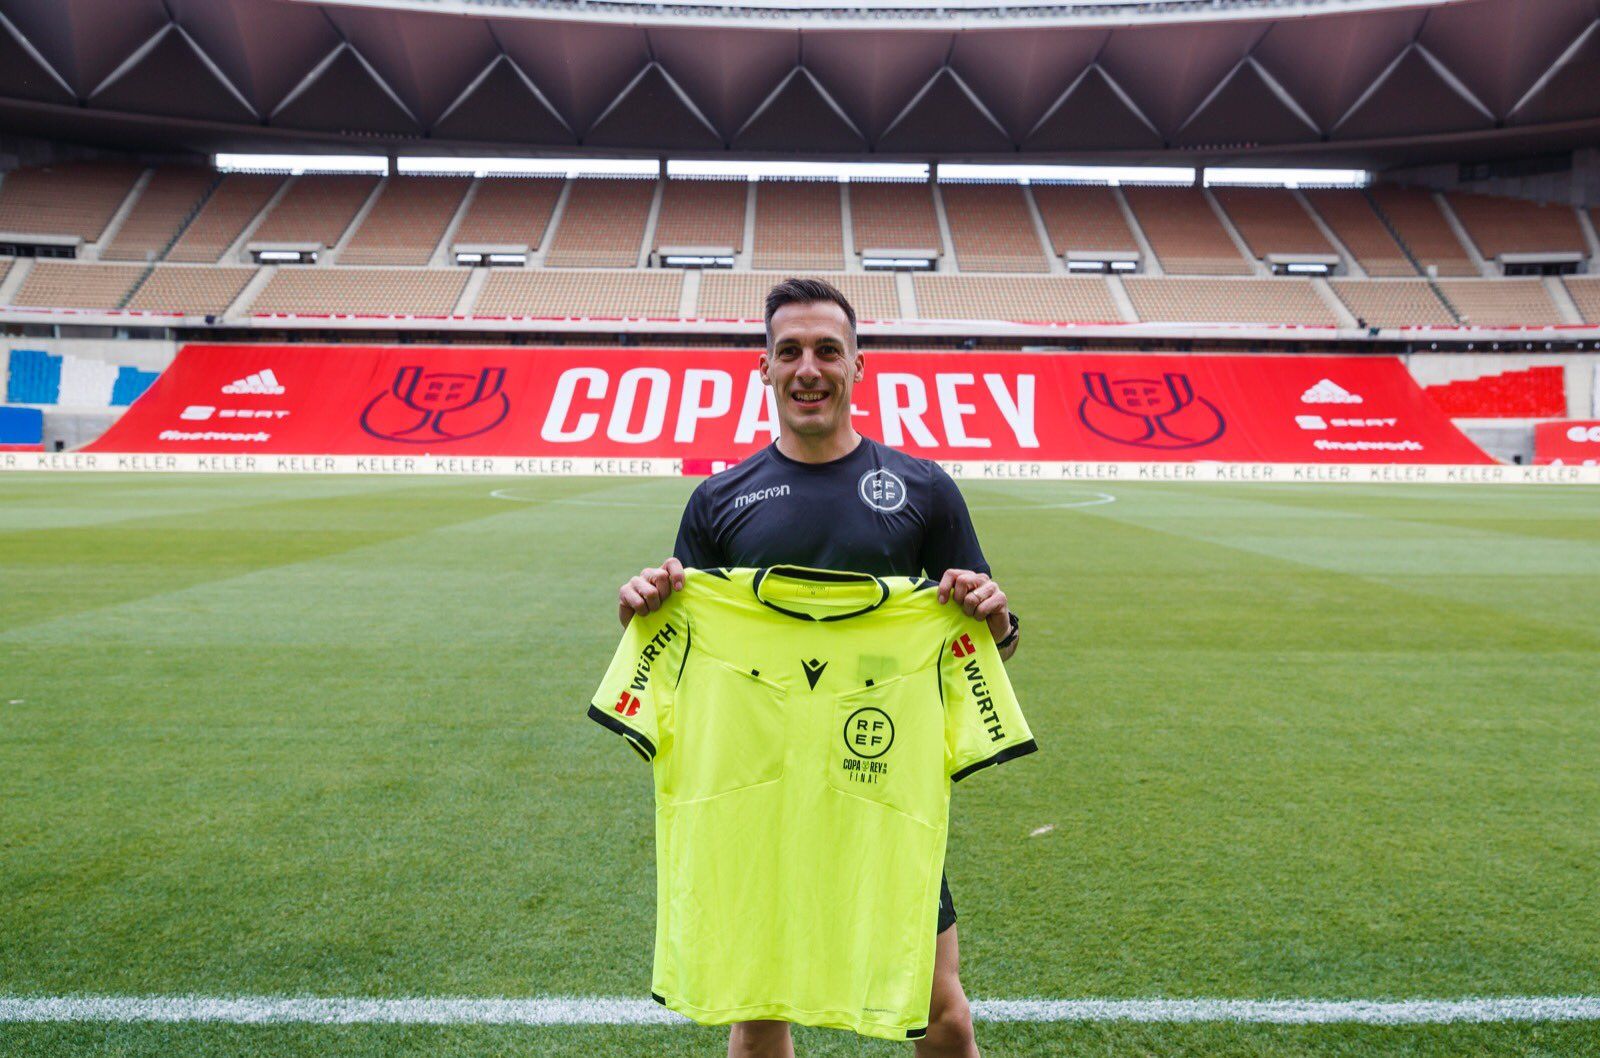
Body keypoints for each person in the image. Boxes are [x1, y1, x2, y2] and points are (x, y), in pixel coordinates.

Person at [616, 277, 1021, 1058]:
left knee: (942, 1012)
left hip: (877, 786)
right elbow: (681, 648)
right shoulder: (718, 501)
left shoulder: (923, 490)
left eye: (827, 351)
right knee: (759, 1012)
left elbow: (984, 643)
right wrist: (641, 613)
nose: (809, 368)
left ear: (857, 367)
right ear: (763, 369)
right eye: (790, 351)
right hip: (760, 792)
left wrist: (998, 620)